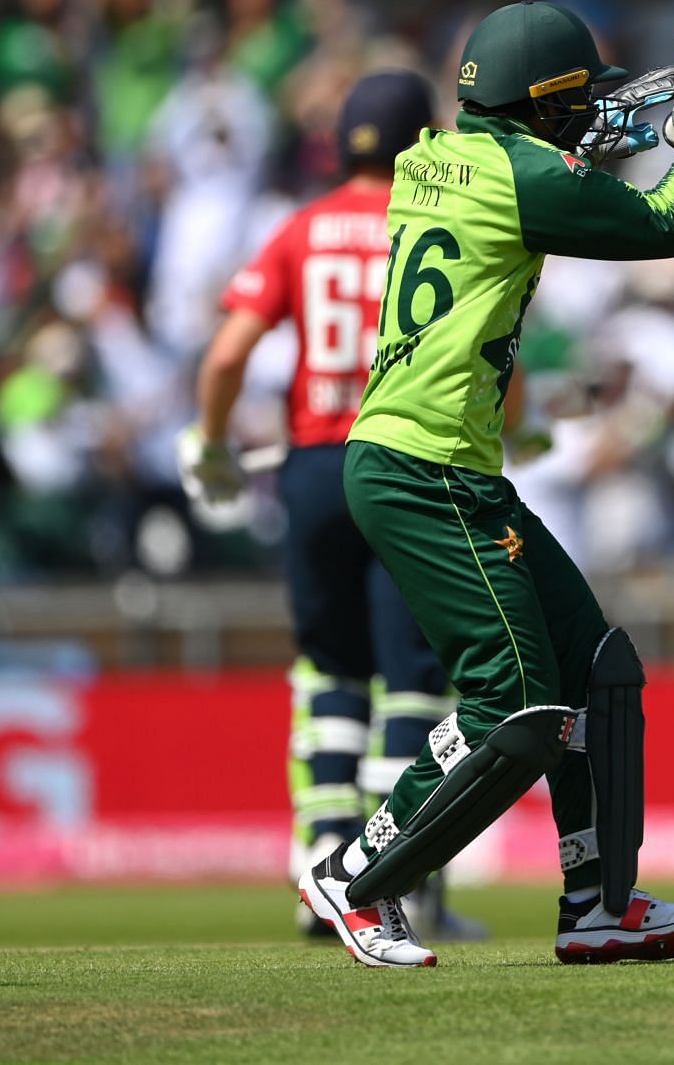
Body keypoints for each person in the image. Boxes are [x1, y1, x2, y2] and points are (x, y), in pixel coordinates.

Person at [295, 0, 674, 967]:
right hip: (421, 466)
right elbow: (668, 222)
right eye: (577, 101)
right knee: (514, 710)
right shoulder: (522, 175)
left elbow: (557, 144)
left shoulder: (435, 157)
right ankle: (357, 874)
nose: (590, 112)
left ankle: (597, 901)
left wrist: (639, 104)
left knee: (595, 668)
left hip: (442, 462)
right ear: (546, 106)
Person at [180, 70, 481, 942]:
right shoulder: (434, 221)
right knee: (415, 681)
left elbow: (228, 354)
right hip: (402, 465)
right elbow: (492, 347)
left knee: (329, 671)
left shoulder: (300, 229)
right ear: (420, 141)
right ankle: (397, 883)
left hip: (312, 469)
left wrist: (208, 443)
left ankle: (320, 858)